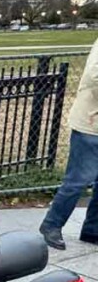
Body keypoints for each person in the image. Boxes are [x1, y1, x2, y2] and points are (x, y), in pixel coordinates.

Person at [39, 38, 98, 250]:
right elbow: (94, 76)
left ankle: (92, 230)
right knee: (78, 180)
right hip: (91, 124)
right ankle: (51, 225)